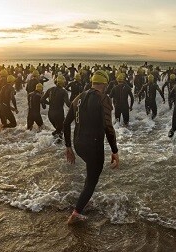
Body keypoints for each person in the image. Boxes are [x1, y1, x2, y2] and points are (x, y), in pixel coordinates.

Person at [63, 70, 119, 224]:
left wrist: (68, 147)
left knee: (90, 172)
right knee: (92, 180)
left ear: (93, 82)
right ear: (105, 84)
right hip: (93, 145)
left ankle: (84, 199)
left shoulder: (78, 97)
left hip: (78, 144)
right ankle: (76, 214)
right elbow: (108, 127)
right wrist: (115, 151)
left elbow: (66, 123)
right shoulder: (104, 98)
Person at [41, 75, 70, 141]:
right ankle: (58, 146)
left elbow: (42, 100)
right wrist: (76, 107)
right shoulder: (64, 91)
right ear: (63, 82)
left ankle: (54, 144)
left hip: (50, 115)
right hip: (59, 115)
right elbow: (68, 104)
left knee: (58, 131)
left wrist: (49, 103)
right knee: (61, 131)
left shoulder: (50, 89)